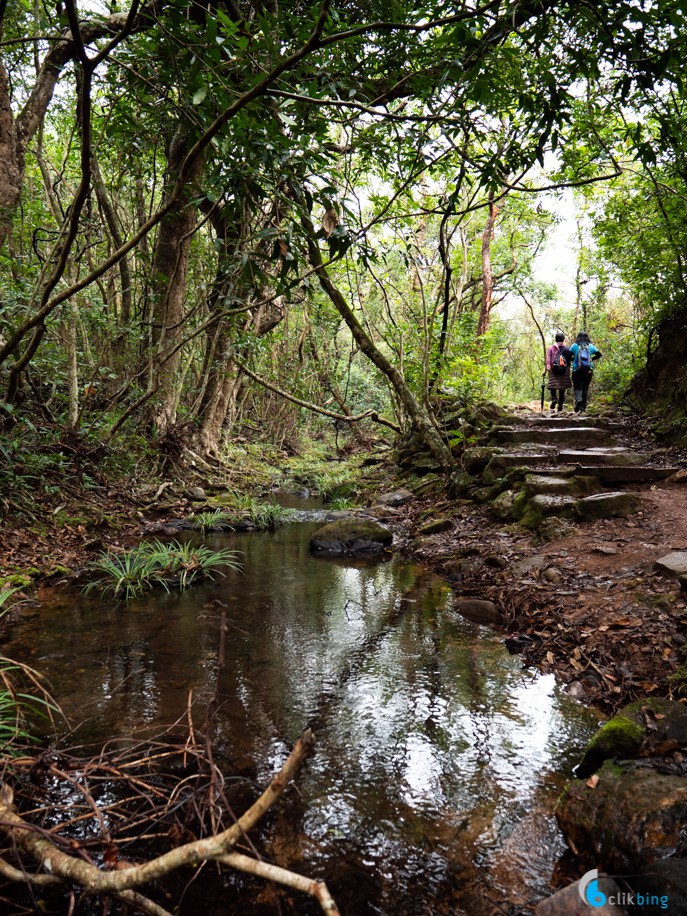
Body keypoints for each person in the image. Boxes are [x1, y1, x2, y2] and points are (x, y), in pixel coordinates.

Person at [569, 331, 602, 412]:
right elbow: (599, 354)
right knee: (585, 388)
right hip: (588, 369)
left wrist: (574, 360)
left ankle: (578, 400)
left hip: (577, 369)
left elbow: (568, 355)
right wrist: (592, 359)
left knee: (577, 386)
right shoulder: (590, 346)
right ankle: (583, 408)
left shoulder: (574, 346)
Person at [545, 330, 572, 412]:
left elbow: (548, 360)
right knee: (562, 389)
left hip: (554, 369)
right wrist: (567, 369)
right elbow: (569, 361)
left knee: (553, 385)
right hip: (564, 371)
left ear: (555, 339)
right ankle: (560, 407)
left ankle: (554, 399)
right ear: (563, 339)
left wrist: (548, 367)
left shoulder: (551, 348)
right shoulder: (567, 349)